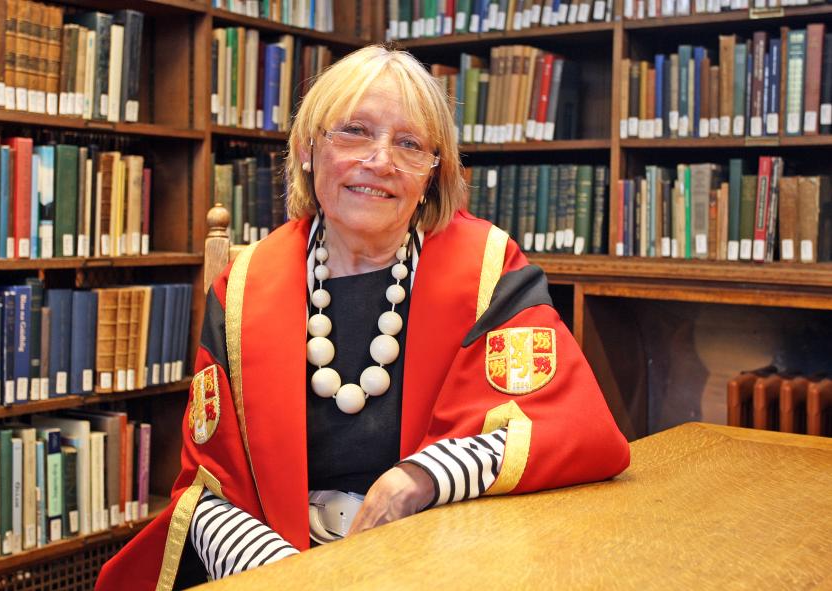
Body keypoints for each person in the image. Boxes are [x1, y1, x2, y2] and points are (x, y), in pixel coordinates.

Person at [95, 45, 629, 591]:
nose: (381, 160)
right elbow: (208, 485)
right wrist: (292, 577)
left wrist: (421, 476)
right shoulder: (244, 286)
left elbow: (564, 423)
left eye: (409, 143)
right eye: (354, 131)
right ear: (307, 150)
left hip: (438, 558)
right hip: (280, 563)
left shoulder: (489, 269)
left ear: (432, 172)